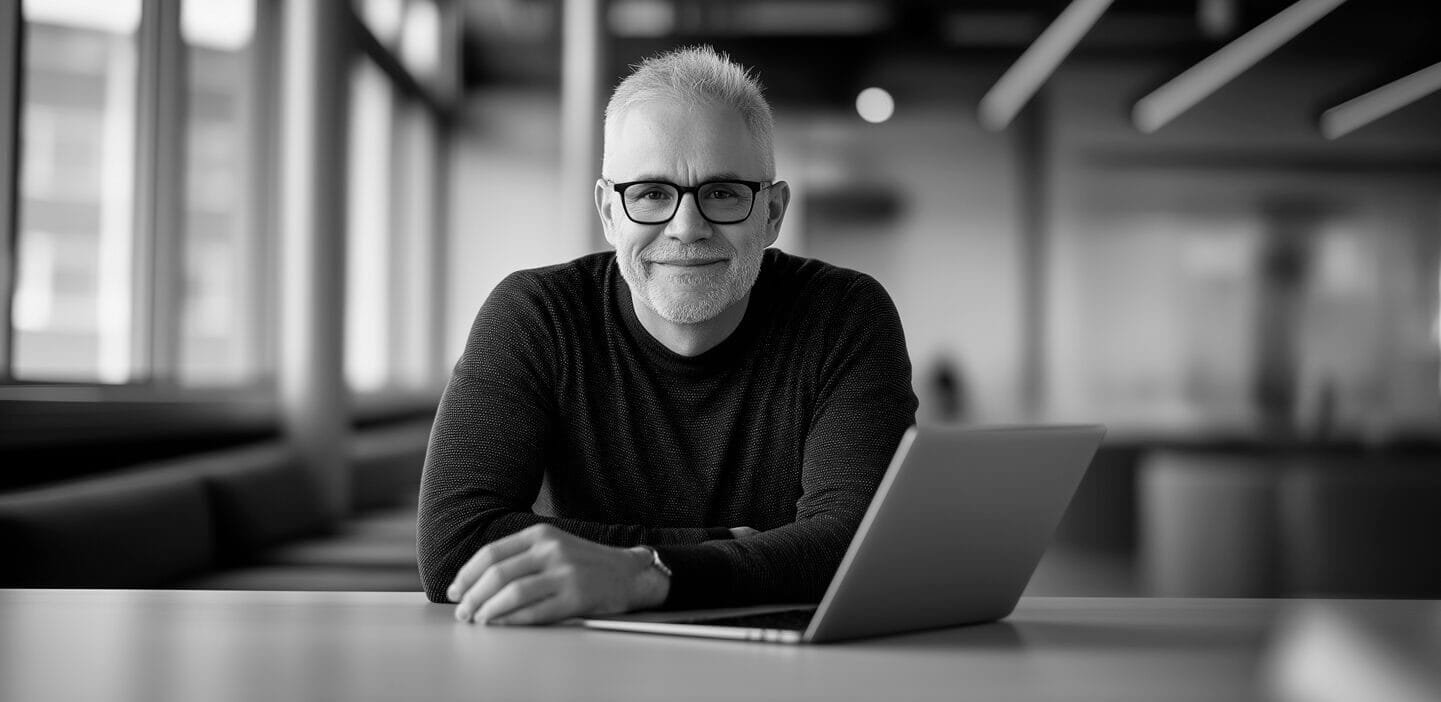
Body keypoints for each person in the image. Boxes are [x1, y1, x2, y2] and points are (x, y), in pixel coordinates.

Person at [418, 45, 917, 626]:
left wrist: (643, 573)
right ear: (608, 211)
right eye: (651, 194)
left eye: (724, 193)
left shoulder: (844, 317)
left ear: (773, 212)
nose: (686, 227)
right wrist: (698, 549)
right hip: (579, 661)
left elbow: (861, 546)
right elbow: (457, 542)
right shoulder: (537, 316)